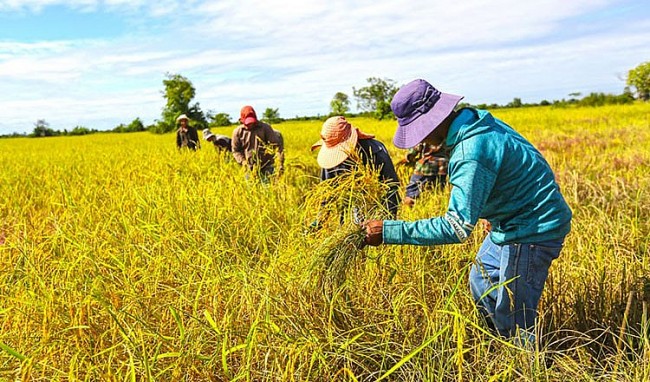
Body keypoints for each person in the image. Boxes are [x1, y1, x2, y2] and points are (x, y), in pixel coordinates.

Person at [363, 79, 572, 343]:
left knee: (515, 313)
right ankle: (501, 341)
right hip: (508, 221)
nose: (422, 139)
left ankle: (526, 362)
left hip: (531, 228)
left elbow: (456, 227)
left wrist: (389, 231)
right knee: (482, 282)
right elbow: (519, 164)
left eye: (421, 130)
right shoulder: (474, 120)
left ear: (434, 121)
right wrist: (493, 211)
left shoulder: (470, 150)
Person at [311, 116, 400, 220]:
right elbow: (326, 192)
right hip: (347, 215)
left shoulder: (376, 151)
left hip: (376, 211)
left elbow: (391, 187)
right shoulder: (331, 160)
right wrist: (320, 218)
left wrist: (386, 223)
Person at [231, 106, 283, 180]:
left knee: (267, 187)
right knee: (250, 188)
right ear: (242, 120)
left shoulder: (265, 128)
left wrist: (279, 163)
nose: (250, 125)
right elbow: (236, 151)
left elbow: (276, 147)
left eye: (252, 122)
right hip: (249, 167)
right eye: (248, 123)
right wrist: (243, 162)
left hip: (267, 166)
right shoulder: (238, 132)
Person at [401, 141, 449, 207]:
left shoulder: (424, 132)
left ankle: (409, 213)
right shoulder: (446, 131)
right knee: (437, 194)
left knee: (411, 193)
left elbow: (416, 148)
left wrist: (408, 158)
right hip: (443, 168)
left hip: (426, 166)